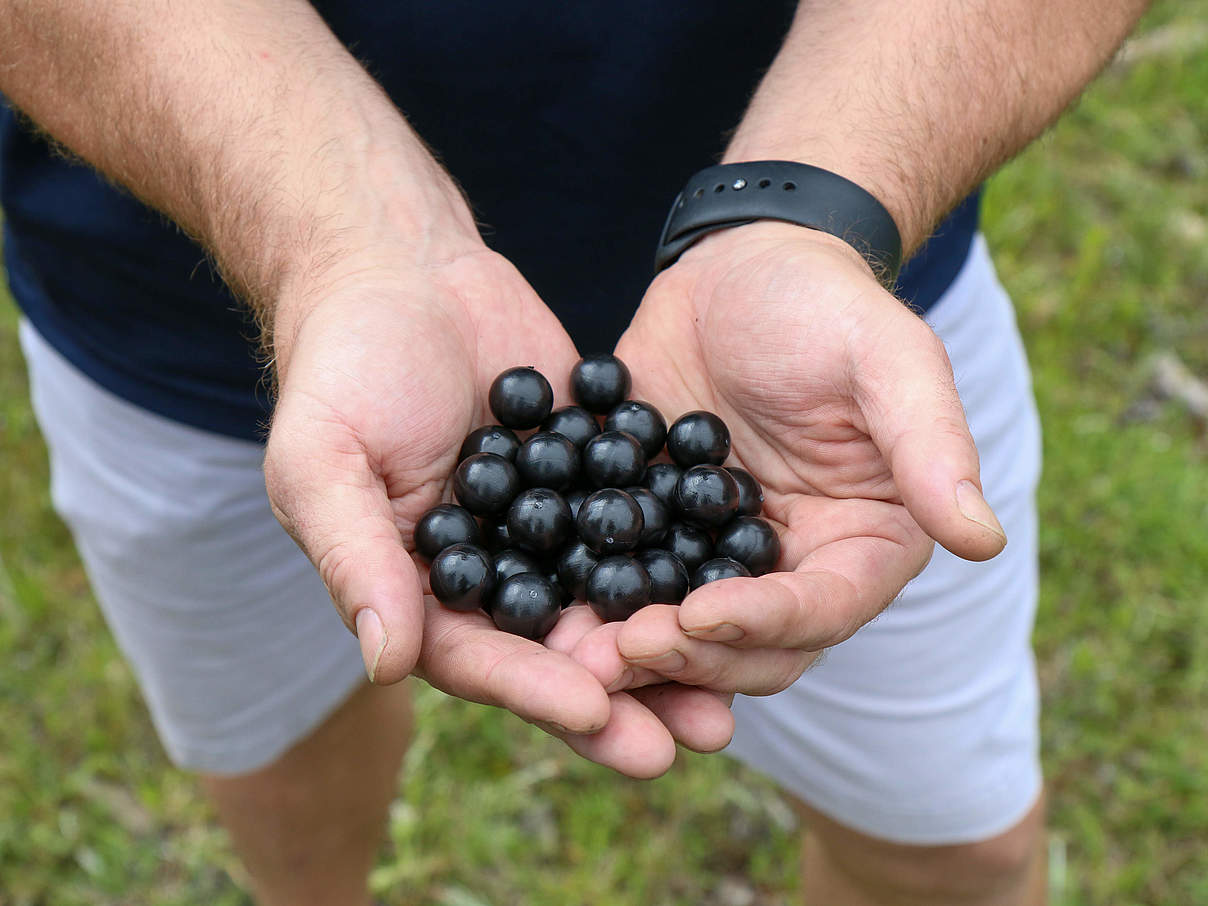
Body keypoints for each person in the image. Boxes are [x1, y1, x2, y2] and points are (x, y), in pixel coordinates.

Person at [0, 2, 1150, 904]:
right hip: (186, 309)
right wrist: (340, 243)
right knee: (275, 758)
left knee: (951, 846)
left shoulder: (746, 435)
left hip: (823, 354)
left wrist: (806, 212)